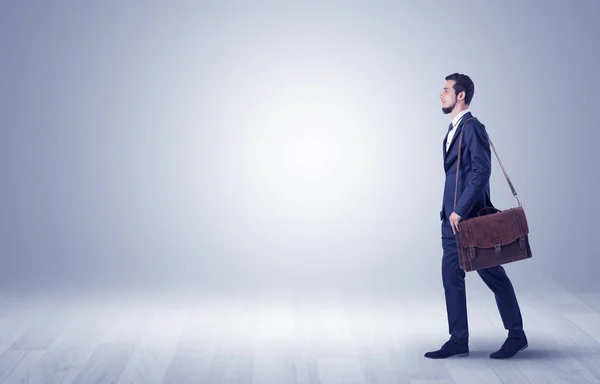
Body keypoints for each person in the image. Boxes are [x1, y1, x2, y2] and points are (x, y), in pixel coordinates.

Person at [424, 73, 528, 359]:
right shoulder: (453, 129)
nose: (441, 94)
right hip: (452, 220)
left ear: (461, 95)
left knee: (493, 274)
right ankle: (459, 340)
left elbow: (482, 171)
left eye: (445, 90)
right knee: (451, 276)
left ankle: (516, 335)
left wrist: (460, 210)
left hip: (468, 221)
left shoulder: (472, 128)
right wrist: (450, 213)